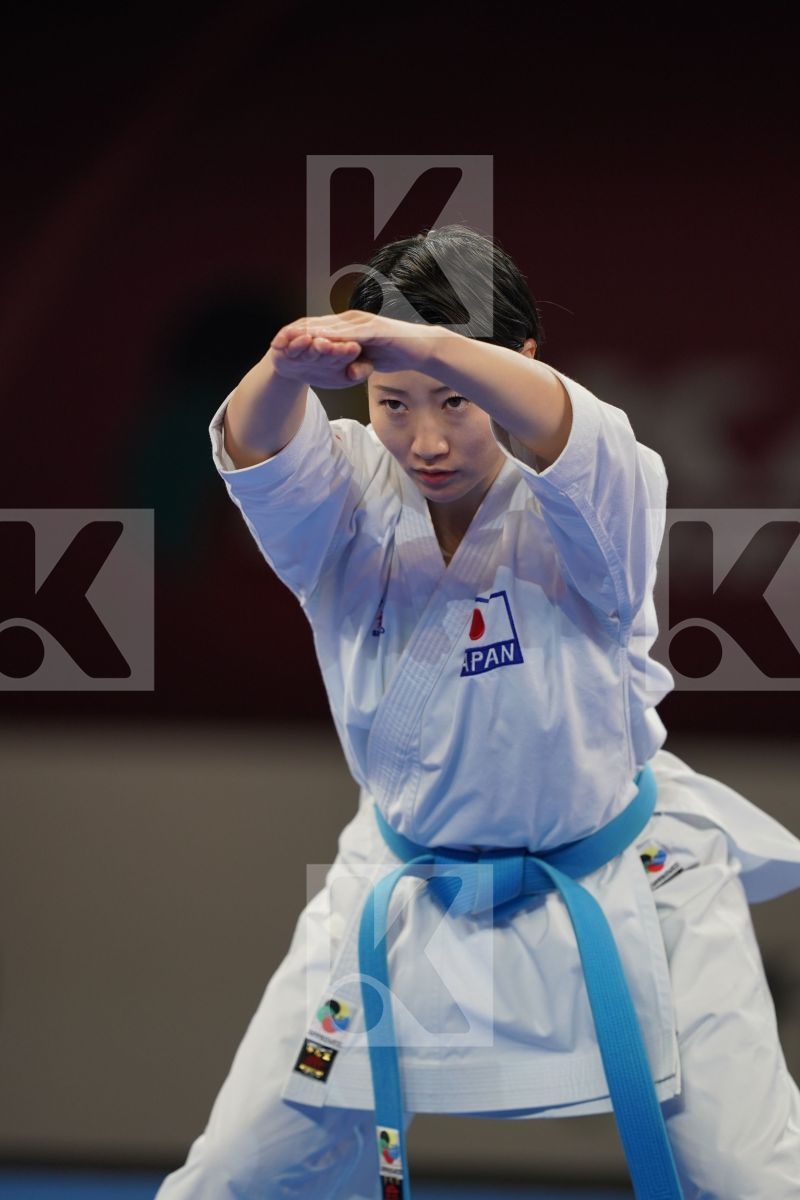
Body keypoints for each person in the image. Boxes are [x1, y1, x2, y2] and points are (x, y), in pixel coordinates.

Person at [156, 224, 800, 1200]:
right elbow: (252, 446)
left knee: (752, 1178)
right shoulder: (348, 492)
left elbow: (563, 423)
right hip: (401, 887)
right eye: (393, 403)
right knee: (230, 1177)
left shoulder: (594, 492)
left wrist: (426, 345)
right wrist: (284, 367)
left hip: (626, 881)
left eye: (454, 399)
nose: (425, 440)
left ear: (516, 364)